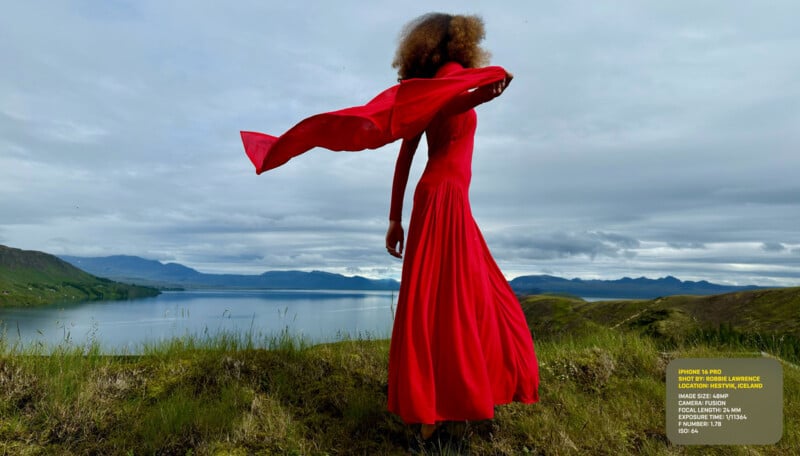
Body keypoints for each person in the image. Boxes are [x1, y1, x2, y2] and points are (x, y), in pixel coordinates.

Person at [384, 13, 540, 441]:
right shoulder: (449, 81)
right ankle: (440, 418)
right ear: (460, 42)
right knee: (453, 300)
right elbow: (449, 105)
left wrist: (395, 218)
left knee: (449, 298)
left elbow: (405, 158)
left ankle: (439, 412)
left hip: (441, 198)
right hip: (444, 198)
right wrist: (481, 95)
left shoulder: (426, 88)